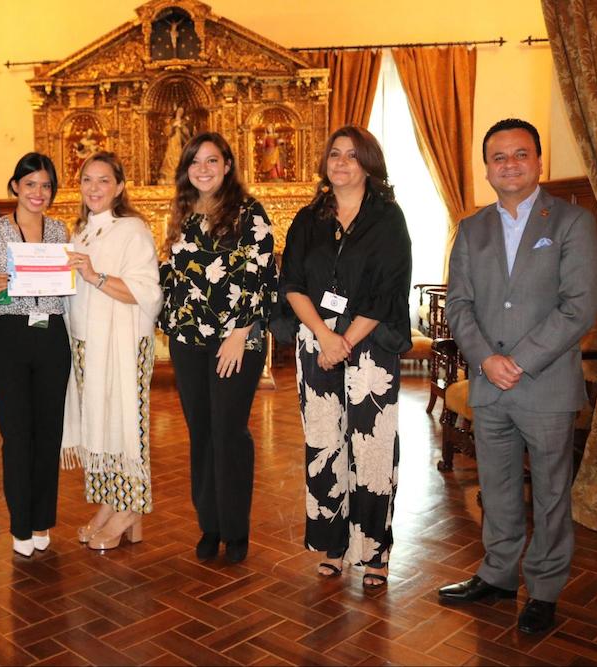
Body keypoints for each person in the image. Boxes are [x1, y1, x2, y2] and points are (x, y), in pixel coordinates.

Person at [438, 118, 597, 634]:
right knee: (499, 485)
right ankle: (499, 574)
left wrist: (521, 360)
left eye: (520, 154)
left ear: (537, 161)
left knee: (552, 492)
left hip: (546, 384)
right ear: (486, 168)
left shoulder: (571, 222)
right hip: (489, 383)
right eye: (498, 157)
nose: (509, 164)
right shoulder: (471, 227)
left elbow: (579, 307)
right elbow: (459, 305)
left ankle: (545, 589)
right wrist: (486, 358)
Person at [278, 126, 411, 589]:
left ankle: (374, 552)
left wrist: (344, 341)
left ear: (368, 165)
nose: (341, 162)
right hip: (316, 346)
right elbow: (291, 283)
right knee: (323, 443)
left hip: (371, 348)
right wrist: (323, 336)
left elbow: (387, 291)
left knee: (372, 448)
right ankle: (332, 545)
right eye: (334, 154)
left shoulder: (388, 219)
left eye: (352, 156)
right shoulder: (307, 218)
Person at [159, 132, 277, 564]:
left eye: (212, 160)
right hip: (188, 340)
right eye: (195, 162)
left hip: (236, 341)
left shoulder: (249, 213)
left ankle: (235, 529)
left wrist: (240, 332)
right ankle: (209, 524)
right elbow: (172, 276)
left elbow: (263, 276)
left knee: (229, 431)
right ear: (187, 168)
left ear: (227, 165)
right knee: (201, 433)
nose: (203, 168)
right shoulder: (184, 214)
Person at [0, 152, 71, 558]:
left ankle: (43, 518)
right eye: (30, 184)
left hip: (51, 335)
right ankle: (21, 524)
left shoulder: (61, 231)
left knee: (49, 433)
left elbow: (68, 281)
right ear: (15, 187)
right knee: (17, 435)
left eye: (46, 185)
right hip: (9, 338)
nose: (38, 192)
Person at [62, 152, 162, 551]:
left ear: (119, 187)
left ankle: (130, 508)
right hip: (86, 345)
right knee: (98, 426)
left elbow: (148, 293)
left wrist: (94, 275)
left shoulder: (131, 229)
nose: (94, 188)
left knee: (125, 425)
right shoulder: (81, 232)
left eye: (103, 180)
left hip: (123, 345)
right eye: (87, 179)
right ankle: (109, 503)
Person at [159, 105, 192, 184]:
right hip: (172, 143)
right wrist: (173, 126)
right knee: (170, 157)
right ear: (176, 111)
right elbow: (167, 132)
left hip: (181, 144)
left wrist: (181, 127)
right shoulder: (171, 122)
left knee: (181, 158)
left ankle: (181, 176)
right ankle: (169, 177)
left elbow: (188, 135)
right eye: (179, 111)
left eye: (182, 111)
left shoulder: (184, 122)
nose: (180, 113)